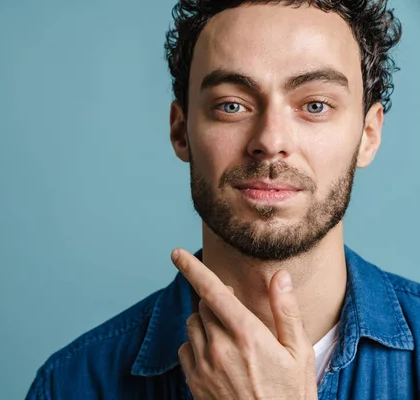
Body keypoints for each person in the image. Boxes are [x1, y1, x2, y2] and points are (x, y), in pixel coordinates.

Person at [26, 1, 416, 398]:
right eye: (232, 106)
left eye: (315, 105)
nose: (270, 141)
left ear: (368, 135)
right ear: (181, 132)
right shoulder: (70, 385)